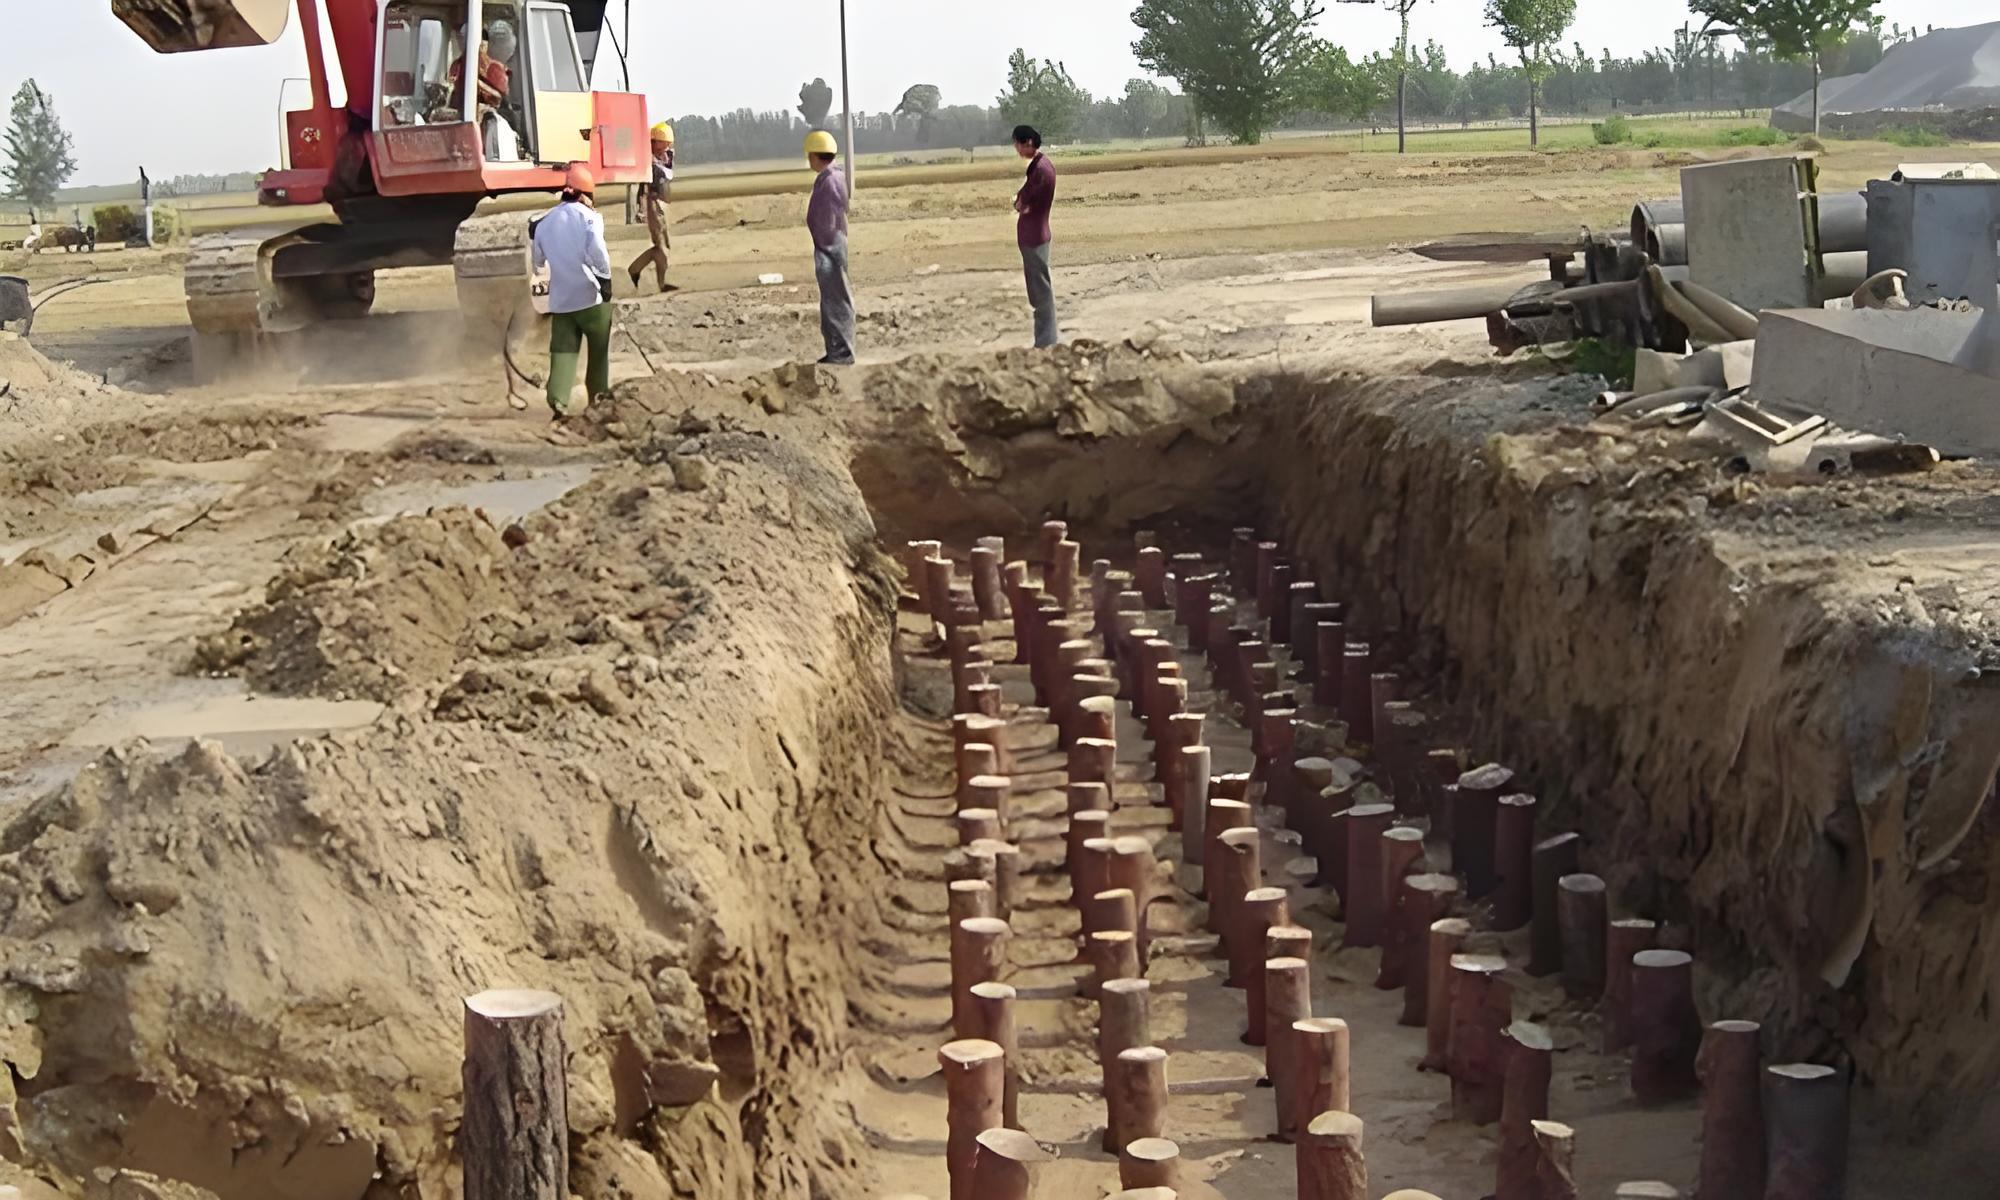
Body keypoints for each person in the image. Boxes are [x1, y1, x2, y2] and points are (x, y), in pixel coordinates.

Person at [531, 163, 615, 418]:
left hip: (562, 302)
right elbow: (598, 252)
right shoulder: (590, 218)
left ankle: (558, 403)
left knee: (563, 352)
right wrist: (606, 281)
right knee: (598, 354)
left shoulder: (544, 223)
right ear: (584, 194)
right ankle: (598, 401)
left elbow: (537, 263)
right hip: (591, 300)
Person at [804, 130, 855, 366]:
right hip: (828, 245)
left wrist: (825, 245)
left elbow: (829, 218)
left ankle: (842, 354)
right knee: (830, 302)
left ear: (815, 155)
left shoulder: (831, 179)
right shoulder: (830, 177)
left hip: (830, 246)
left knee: (836, 300)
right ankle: (835, 351)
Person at [1013, 125, 1059, 348]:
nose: (1017, 150)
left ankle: (1046, 342)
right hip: (1035, 234)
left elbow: (1023, 203)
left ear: (1028, 142)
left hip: (1035, 237)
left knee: (1041, 294)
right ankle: (1045, 340)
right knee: (1040, 291)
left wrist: (1021, 204)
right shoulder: (1040, 166)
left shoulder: (1041, 170)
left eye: (1018, 145)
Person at [627, 123, 676, 293]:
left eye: (669, 143)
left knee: (664, 247)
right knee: (661, 247)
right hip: (653, 204)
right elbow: (643, 186)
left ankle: (635, 269)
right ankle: (660, 284)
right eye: (663, 142)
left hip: (663, 204)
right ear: (653, 142)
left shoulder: (666, 157)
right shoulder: (647, 162)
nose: (667, 146)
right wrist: (641, 209)